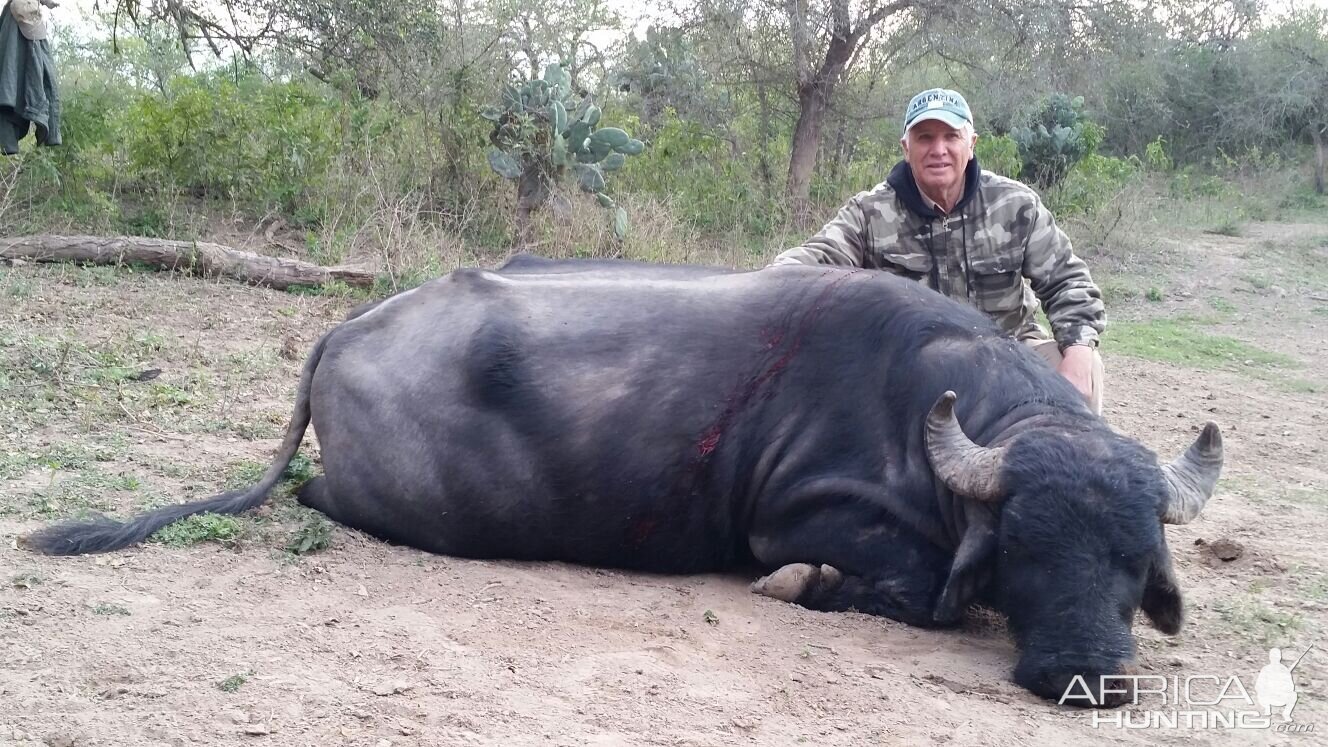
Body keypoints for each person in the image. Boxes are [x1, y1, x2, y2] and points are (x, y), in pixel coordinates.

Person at [770, 88, 1106, 414]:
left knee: (1084, 367)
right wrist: (755, 290)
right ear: (906, 148)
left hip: (1012, 351)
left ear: (971, 144)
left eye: (951, 136)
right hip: (908, 366)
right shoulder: (869, 213)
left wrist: (1077, 352)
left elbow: (1069, 282)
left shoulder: (1016, 205)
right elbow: (809, 265)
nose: (939, 149)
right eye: (925, 138)